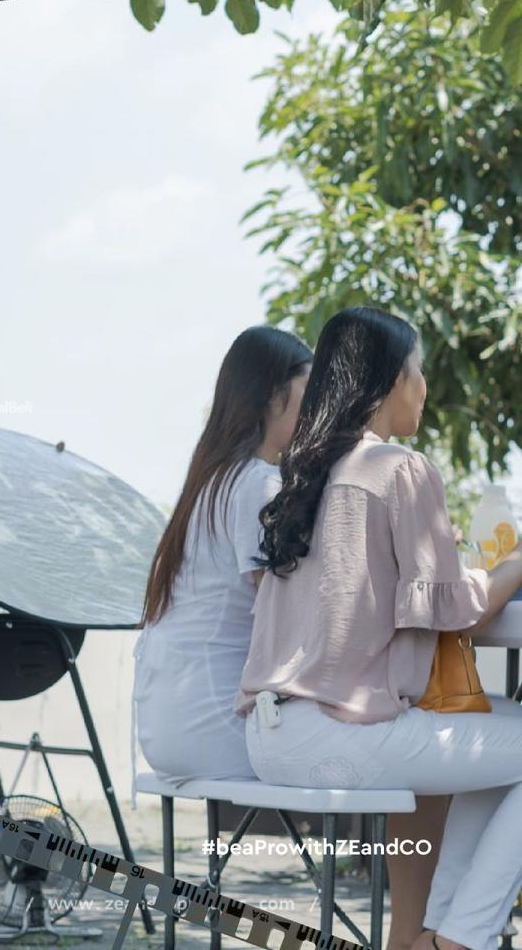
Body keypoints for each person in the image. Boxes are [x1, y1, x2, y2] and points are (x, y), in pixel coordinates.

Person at [239, 306, 522, 950]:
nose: (425, 387)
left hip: (270, 734)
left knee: (501, 735)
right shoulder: (397, 466)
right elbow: (460, 609)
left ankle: (435, 932)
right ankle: (459, 941)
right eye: (419, 371)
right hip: (340, 733)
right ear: (395, 380)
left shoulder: (305, 473)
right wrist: (516, 561)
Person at [133, 325, 311, 784]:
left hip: (164, 729)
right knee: (371, 750)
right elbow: (285, 617)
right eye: (307, 393)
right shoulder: (259, 483)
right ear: (273, 397)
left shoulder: (210, 481)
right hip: (215, 728)